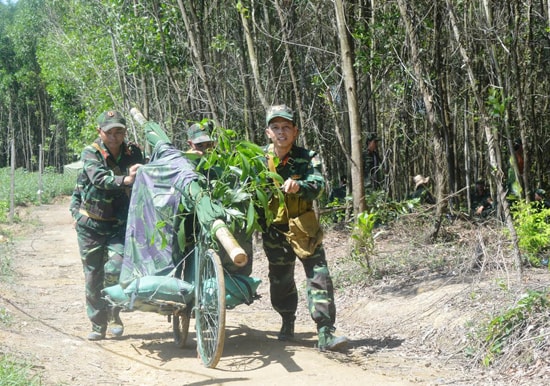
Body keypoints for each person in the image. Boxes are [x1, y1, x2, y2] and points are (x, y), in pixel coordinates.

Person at [261, 104, 348, 352]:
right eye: (275, 127)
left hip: (304, 228)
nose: (281, 132)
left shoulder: (308, 157)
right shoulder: (257, 159)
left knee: (319, 275)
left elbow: (319, 184)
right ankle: (287, 320)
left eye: (286, 127)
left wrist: (301, 186)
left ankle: (325, 332)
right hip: (274, 231)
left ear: (295, 131)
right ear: (268, 132)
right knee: (280, 279)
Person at [69, 110, 144, 340]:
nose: (114, 136)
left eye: (119, 131)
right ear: (99, 132)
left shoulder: (133, 152)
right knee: (93, 276)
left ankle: (114, 314)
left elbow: (148, 171)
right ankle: (97, 325)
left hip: (119, 223)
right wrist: (126, 179)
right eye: (109, 132)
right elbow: (99, 179)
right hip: (90, 223)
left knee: (116, 268)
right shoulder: (91, 153)